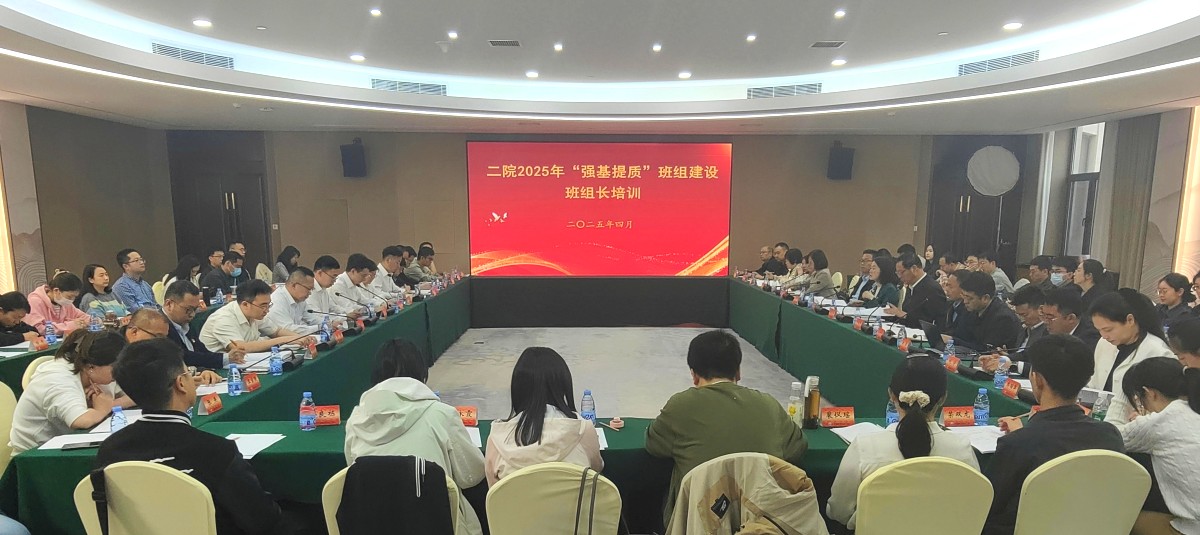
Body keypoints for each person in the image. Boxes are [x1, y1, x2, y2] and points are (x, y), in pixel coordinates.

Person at [96, 338, 289, 534]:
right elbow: (263, 520)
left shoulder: (110, 450)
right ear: (181, 383)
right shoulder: (215, 451)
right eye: (188, 373)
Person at [646, 330, 807, 524]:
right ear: (738, 371)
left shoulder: (680, 406)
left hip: (701, 524)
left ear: (694, 375)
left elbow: (654, 445)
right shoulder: (769, 404)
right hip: (763, 524)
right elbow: (797, 447)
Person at [984, 335, 1125, 535]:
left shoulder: (1018, 443)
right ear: (1087, 379)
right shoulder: (1110, 435)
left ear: (1038, 380)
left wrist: (1022, 435)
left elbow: (989, 505)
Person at [344, 338, 485, 535]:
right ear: (422, 374)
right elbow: (472, 475)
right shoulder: (441, 414)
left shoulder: (356, 419)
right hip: (437, 525)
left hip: (373, 525)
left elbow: (355, 469)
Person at [827, 356, 979, 530]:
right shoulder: (962, 449)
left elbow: (838, 511)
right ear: (943, 398)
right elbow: (974, 507)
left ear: (891, 395)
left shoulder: (865, 447)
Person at [485, 347, 603, 485]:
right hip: (573, 500)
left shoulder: (497, 437)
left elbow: (493, 489)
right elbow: (596, 471)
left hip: (517, 500)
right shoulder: (583, 429)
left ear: (517, 387)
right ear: (563, 385)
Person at [9, 330, 134, 453]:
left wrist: (111, 404)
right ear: (90, 367)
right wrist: (101, 410)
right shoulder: (57, 379)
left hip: (68, 444)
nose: (121, 371)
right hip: (34, 454)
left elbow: (136, 394)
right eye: (116, 367)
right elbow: (81, 421)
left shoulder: (97, 372)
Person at [1116, 358, 1200, 535]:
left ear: (1149, 393)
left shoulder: (1158, 422)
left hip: (1192, 529)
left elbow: (1108, 437)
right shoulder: (1193, 408)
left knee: (1117, 515)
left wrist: (1139, 420)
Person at [1088, 290, 1175, 425]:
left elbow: (1167, 406)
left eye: (1108, 330)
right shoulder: (1104, 344)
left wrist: (1145, 417)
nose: (1104, 336)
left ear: (1130, 320)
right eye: (1099, 330)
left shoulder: (1158, 352)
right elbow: (1094, 383)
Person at [198, 280, 313, 353]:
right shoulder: (223, 318)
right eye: (263, 306)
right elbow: (241, 348)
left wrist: (299, 337)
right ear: (245, 304)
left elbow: (276, 331)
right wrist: (286, 339)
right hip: (215, 370)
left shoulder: (254, 313)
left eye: (269, 305)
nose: (267, 310)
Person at [122, 308, 221, 385]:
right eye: (158, 337)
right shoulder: (115, 351)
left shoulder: (157, 348)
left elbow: (176, 366)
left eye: (164, 338)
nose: (161, 343)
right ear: (134, 332)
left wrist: (202, 371)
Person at [162, 281, 246, 369]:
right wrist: (224, 358)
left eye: (195, 309)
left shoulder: (185, 322)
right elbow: (183, 357)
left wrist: (227, 357)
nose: (192, 315)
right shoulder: (160, 327)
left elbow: (201, 351)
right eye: (188, 309)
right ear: (169, 304)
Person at [980, 285, 1046, 374]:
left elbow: (1036, 363)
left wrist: (1010, 362)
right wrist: (1006, 357)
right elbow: (1022, 355)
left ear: (1041, 310)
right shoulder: (1023, 329)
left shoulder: (1048, 333)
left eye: (1024, 315)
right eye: (1018, 314)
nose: (1021, 319)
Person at [949, 271, 1021, 351]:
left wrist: (953, 340)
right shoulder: (972, 308)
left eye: (970, 298)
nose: (965, 301)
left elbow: (987, 350)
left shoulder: (1003, 318)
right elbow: (960, 335)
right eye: (964, 296)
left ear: (985, 298)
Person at [887, 253, 948, 329]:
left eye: (901, 272)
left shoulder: (933, 289)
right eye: (897, 273)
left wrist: (904, 315)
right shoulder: (911, 285)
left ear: (914, 269)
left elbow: (933, 321)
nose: (899, 276)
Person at [24, 271, 90, 335]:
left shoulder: (66, 303)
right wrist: (70, 326)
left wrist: (84, 322)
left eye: (74, 297)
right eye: (69, 296)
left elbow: (85, 318)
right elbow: (38, 329)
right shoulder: (35, 302)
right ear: (56, 290)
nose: (72, 300)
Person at [1041, 288, 1102, 353]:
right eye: (1043, 315)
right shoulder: (1048, 333)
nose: (1045, 322)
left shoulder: (1090, 340)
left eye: (1050, 317)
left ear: (1071, 318)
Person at [266, 267, 320, 336]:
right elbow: (288, 329)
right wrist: (318, 328)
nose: (310, 293)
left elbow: (312, 318)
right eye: (308, 289)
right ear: (294, 285)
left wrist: (327, 324)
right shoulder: (277, 300)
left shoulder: (300, 300)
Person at [308, 255, 356, 326]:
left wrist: (349, 313)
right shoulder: (309, 290)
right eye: (333, 276)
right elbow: (317, 316)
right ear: (320, 273)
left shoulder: (324, 289)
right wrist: (344, 317)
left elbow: (333, 308)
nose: (334, 280)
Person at [941, 270, 978, 340]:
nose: (946, 289)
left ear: (963, 289)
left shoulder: (970, 309)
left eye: (950, 287)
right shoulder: (950, 304)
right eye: (946, 285)